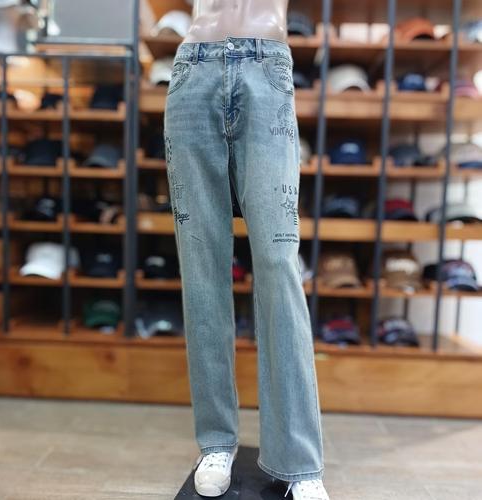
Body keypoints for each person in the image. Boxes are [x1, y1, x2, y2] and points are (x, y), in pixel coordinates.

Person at [163, 1, 329, 498]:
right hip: (193, 68)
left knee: (278, 264)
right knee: (202, 266)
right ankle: (216, 441)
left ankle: (299, 461)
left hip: (266, 67)